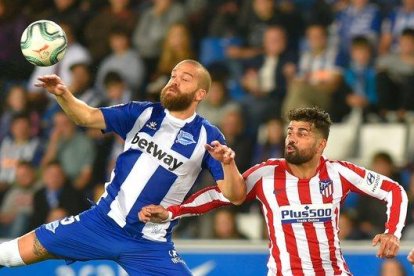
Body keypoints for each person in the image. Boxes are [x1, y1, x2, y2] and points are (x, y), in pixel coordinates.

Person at [0, 59, 246, 275]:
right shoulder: (142, 113)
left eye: (185, 78)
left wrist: (228, 163)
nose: (174, 81)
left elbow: (235, 196)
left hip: (149, 244)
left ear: (200, 94)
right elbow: (86, 116)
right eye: (172, 75)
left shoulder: (208, 136)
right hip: (101, 223)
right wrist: (63, 94)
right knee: (9, 255)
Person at [139, 107, 408, 275]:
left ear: (321, 144)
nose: (291, 137)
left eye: (302, 133)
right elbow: (220, 195)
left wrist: (392, 231)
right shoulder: (266, 173)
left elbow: (395, 190)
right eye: (290, 131)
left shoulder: (339, 172)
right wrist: (172, 212)